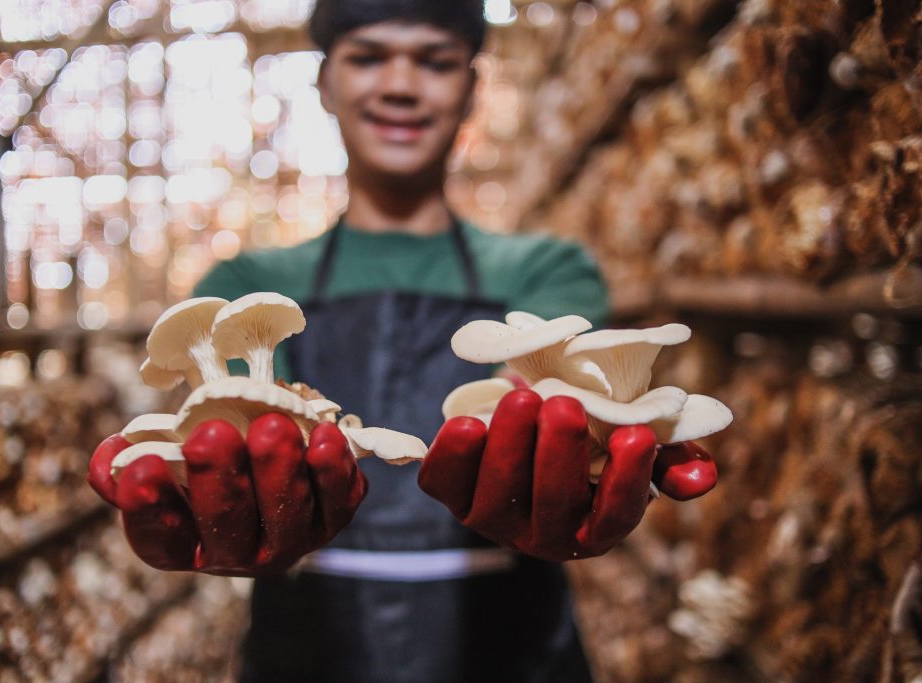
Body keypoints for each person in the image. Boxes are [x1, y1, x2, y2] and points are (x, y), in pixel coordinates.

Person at [87, 1, 717, 681]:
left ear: (472, 89)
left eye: (435, 61)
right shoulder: (243, 285)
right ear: (325, 83)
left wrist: (530, 424)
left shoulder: (545, 270)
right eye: (368, 56)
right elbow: (245, 422)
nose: (400, 84)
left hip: (509, 650)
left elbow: (546, 389)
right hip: (309, 649)